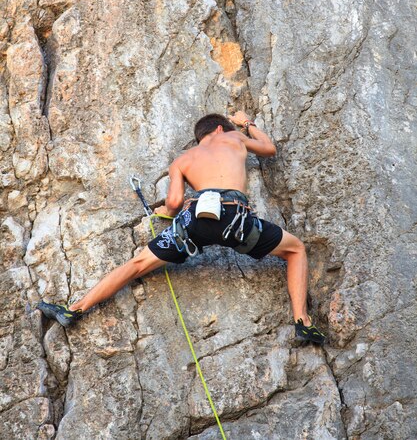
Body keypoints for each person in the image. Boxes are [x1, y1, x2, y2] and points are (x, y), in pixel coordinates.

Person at [37, 111, 326, 344]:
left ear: (200, 136)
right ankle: (302, 320)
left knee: (137, 264)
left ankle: (74, 309)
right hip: (233, 219)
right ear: (219, 129)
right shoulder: (234, 138)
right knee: (296, 250)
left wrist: (163, 210)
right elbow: (269, 148)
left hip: (194, 220)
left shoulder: (182, 160)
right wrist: (247, 122)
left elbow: (175, 202)